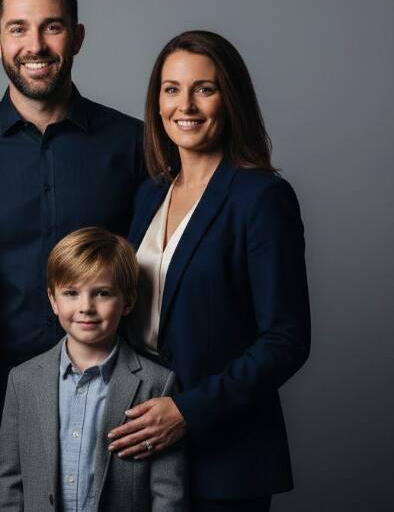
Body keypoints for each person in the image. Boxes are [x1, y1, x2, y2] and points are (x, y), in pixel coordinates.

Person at [0, 0, 145, 508]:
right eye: (19, 28)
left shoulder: (135, 145)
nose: (36, 45)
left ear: (78, 36)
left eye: (52, 27)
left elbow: (153, 276)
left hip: (110, 407)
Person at [106, 30, 310, 512]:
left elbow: (286, 339)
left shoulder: (260, 197)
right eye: (172, 89)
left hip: (225, 457)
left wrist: (187, 411)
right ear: (157, 102)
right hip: (142, 449)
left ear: (230, 98)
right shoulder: (150, 194)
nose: (186, 105)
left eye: (205, 88)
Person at [0, 227, 187, 512]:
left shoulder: (156, 384)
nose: (86, 307)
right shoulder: (23, 380)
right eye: (71, 292)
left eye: (102, 293)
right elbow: (9, 480)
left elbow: (168, 492)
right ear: (53, 300)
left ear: (128, 301)